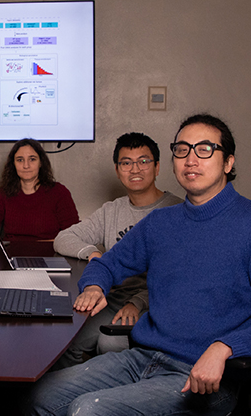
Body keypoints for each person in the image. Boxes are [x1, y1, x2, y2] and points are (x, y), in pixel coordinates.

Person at [26, 114, 251, 416]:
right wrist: (94, 284)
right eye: (182, 150)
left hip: (204, 377)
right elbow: (107, 264)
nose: (191, 159)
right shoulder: (160, 223)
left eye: (204, 149)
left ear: (228, 162)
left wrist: (223, 348)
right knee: (37, 395)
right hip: (142, 357)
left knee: (88, 410)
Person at [51, 132, 182, 370]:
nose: (135, 169)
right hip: (113, 297)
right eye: (126, 163)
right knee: (65, 341)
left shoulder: (176, 210)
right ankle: (65, 400)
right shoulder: (112, 210)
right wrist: (92, 253)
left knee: (109, 343)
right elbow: (64, 238)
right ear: (117, 169)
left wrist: (138, 302)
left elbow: (177, 280)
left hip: (155, 301)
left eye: (143, 161)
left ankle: (104, 404)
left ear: (157, 167)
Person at [0, 138, 80, 241]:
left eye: (32, 159)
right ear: (13, 164)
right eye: (20, 160)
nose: (26, 165)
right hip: (11, 254)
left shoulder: (59, 192)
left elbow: (73, 234)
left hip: (49, 254)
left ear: (41, 163)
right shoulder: (5, 192)